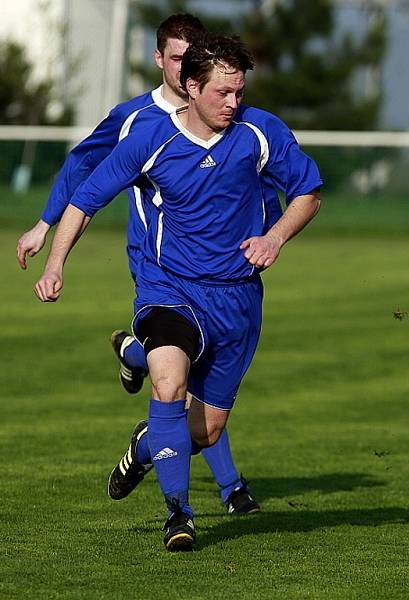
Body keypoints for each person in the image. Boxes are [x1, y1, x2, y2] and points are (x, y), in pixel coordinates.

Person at [34, 33, 323, 550]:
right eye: (223, 93)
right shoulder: (149, 139)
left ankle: (146, 445)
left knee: (204, 432)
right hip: (170, 288)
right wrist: (56, 263)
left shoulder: (260, 132)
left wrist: (275, 237)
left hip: (237, 298)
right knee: (168, 384)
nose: (234, 103)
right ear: (191, 87)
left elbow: (307, 192)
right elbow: (86, 199)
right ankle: (179, 516)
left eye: (239, 92)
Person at [16, 14, 261, 516]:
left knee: (187, 377)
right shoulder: (135, 119)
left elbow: (257, 184)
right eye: (174, 57)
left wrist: (266, 232)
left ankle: (132, 358)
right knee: (175, 375)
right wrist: (45, 227)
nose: (182, 66)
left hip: (220, 274)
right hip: (159, 269)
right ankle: (224, 488)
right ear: (161, 60)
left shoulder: (232, 120)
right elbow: (82, 170)